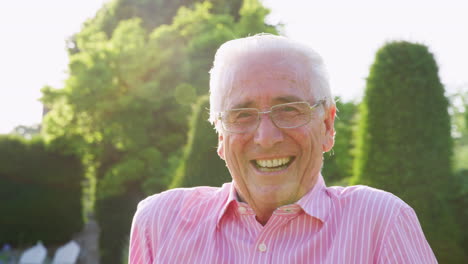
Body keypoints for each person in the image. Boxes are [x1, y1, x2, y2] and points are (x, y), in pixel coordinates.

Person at [129, 34, 437, 263]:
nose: (265, 137)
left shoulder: (380, 222)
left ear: (328, 126)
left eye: (289, 110)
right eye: (242, 115)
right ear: (220, 136)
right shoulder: (159, 223)